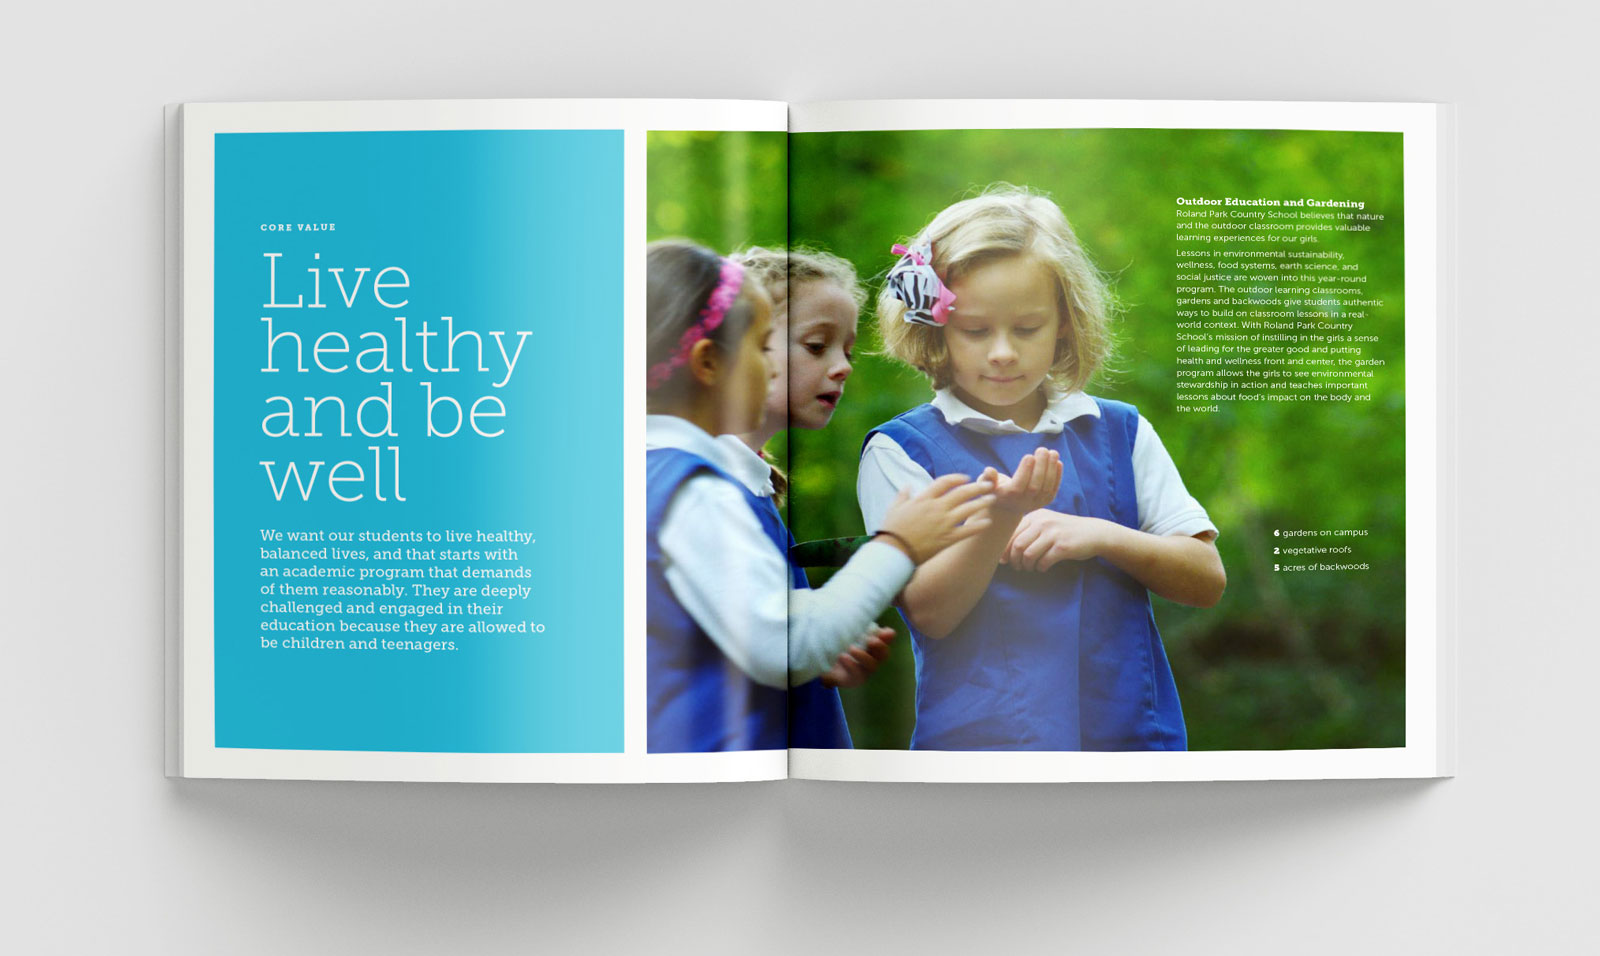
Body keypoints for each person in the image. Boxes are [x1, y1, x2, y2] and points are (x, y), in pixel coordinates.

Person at [857, 186, 1227, 752]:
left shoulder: (1120, 432)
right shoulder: (900, 451)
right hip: (980, 759)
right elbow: (929, 612)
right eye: (975, 331)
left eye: (1026, 328)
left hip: (1130, 748)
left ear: (1063, 323)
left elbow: (1205, 579)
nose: (1002, 352)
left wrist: (1099, 535)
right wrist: (1002, 519)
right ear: (936, 329)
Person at [645, 240, 995, 753]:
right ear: (709, 362)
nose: (844, 367)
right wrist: (898, 545)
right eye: (762, 345)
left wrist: (824, 634)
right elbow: (783, 647)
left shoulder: (665, 478)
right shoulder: (697, 489)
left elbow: (727, 634)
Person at [730, 246, 880, 748]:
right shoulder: (696, 486)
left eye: (848, 352)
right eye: (818, 346)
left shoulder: (756, 492)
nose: (842, 367)